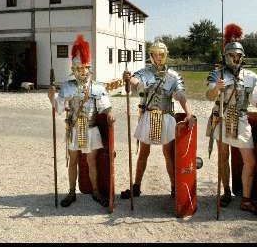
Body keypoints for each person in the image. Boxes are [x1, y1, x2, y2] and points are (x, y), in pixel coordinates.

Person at [206, 23, 257, 215]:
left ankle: (246, 199)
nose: (235, 58)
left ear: (242, 57)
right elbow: (209, 95)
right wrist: (217, 88)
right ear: (226, 56)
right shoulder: (217, 73)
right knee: (223, 157)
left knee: (250, 161)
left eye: (238, 55)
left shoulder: (250, 77)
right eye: (231, 55)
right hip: (222, 117)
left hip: (240, 119)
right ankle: (226, 192)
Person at [120, 40, 194, 200]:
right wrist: (128, 78)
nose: (159, 57)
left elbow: (180, 94)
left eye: (161, 54)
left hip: (166, 116)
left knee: (168, 153)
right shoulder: (143, 72)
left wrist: (188, 112)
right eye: (155, 54)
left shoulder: (173, 76)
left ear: (165, 55)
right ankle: (136, 186)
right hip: (148, 116)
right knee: (143, 153)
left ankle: (175, 187)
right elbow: (136, 83)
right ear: (151, 55)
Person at [48, 34, 115, 208]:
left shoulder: (97, 87)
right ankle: (71, 192)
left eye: (84, 68)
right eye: (78, 68)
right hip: (74, 129)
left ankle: (95, 191)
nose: (81, 71)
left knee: (92, 162)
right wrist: (51, 97)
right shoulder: (68, 86)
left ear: (89, 68)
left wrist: (109, 115)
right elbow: (60, 108)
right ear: (74, 68)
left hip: (91, 129)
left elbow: (105, 107)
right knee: (73, 161)